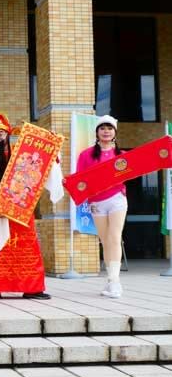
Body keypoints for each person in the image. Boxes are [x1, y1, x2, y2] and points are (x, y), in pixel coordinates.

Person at [0, 112, 50, 299]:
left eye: (0, 134)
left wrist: (51, 153)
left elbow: (39, 165)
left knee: (27, 247)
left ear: (7, 135)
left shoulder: (21, 155)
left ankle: (32, 288)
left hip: (21, 211)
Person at [76, 115, 126, 298]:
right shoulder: (86, 155)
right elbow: (80, 179)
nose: (106, 131)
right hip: (97, 202)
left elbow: (132, 172)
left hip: (117, 199)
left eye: (110, 128)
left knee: (114, 237)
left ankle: (115, 282)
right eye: (102, 128)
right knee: (105, 240)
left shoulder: (121, 155)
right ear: (97, 132)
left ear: (114, 133)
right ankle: (110, 280)